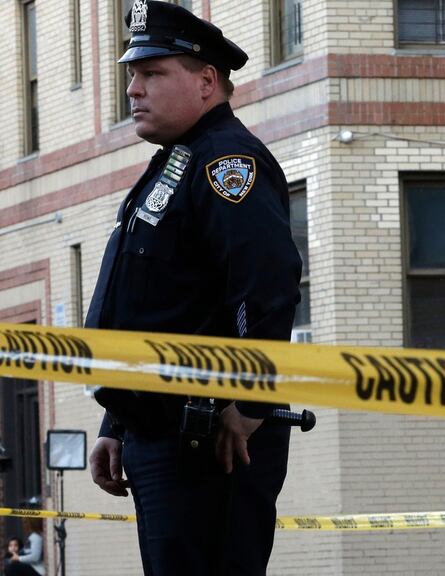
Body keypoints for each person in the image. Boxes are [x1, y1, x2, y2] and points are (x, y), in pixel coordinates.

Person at [85, 2, 302, 575]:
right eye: (133, 74)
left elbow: (266, 288)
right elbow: (150, 310)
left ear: (207, 81)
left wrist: (252, 402)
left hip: (210, 439)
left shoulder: (227, 161)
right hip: (159, 434)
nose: (134, 89)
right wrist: (118, 423)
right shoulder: (174, 162)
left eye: (152, 73)